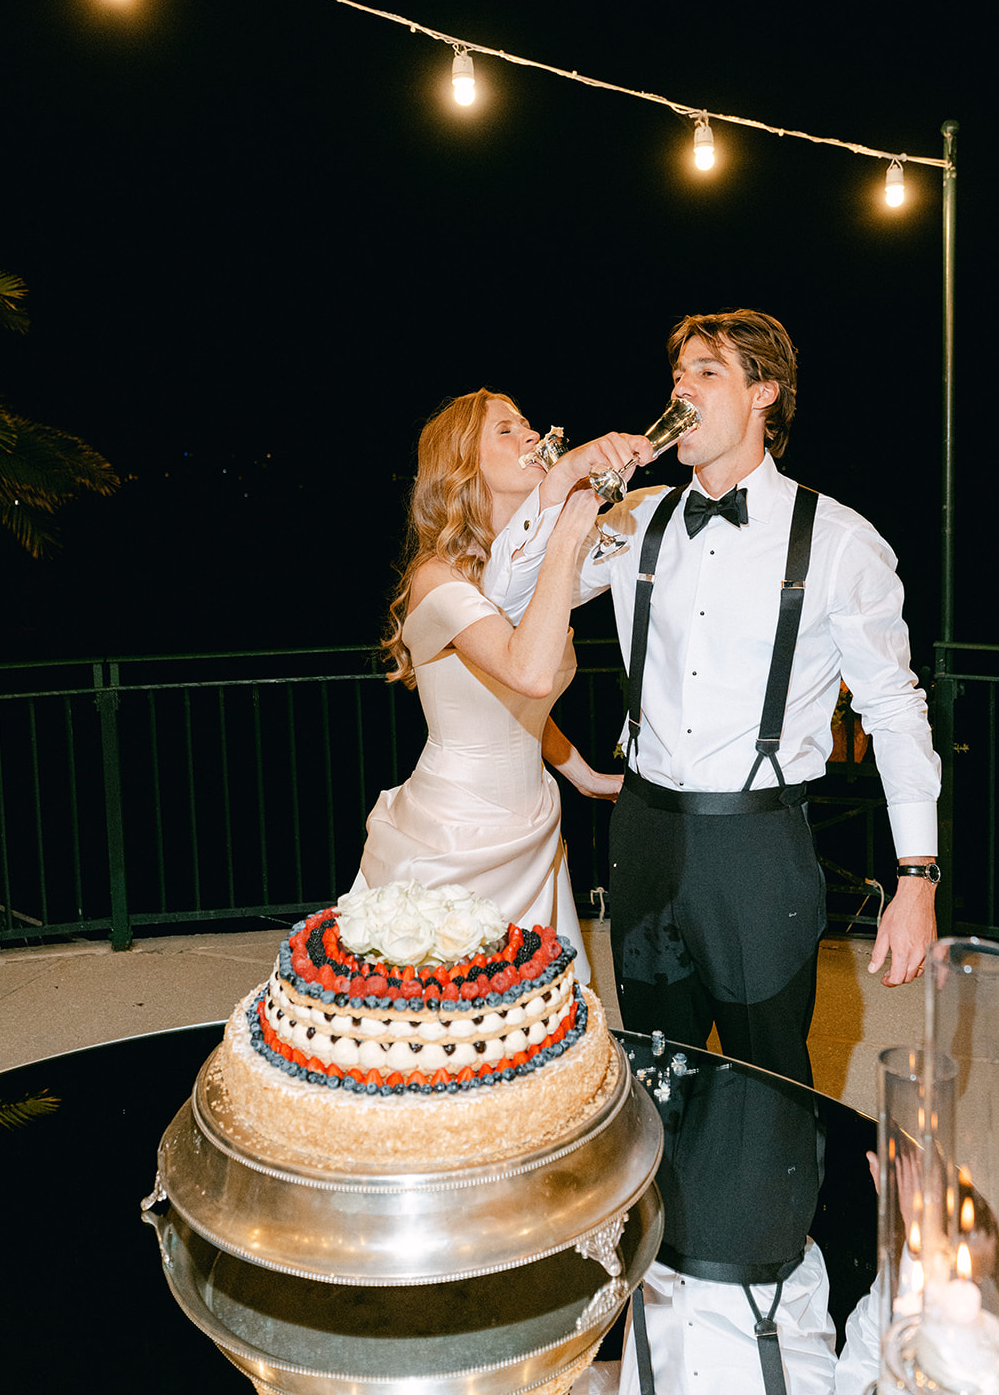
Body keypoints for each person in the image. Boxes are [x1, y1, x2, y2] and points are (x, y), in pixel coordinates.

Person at [483, 310, 940, 1085]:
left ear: (764, 393)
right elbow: (503, 592)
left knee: (771, 1082)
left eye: (705, 373)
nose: (680, 389)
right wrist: (562, 483)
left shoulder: (836, 539)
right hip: (644, 830)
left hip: (757, 847)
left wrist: (916, 879)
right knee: (658, 1076)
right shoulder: (634, 517)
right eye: (676, 376)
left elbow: (893, 708)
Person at [352, 388, 622, 985]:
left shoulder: (521, 573)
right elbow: (525, 671)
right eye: (506, 430)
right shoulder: (437, 579)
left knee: (533, 1029)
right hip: (454, 834)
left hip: (535, 826)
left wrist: (583, 776)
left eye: (527, 423)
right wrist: (570, 529)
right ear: (464, 468)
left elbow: (516, 707)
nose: (532, 436)